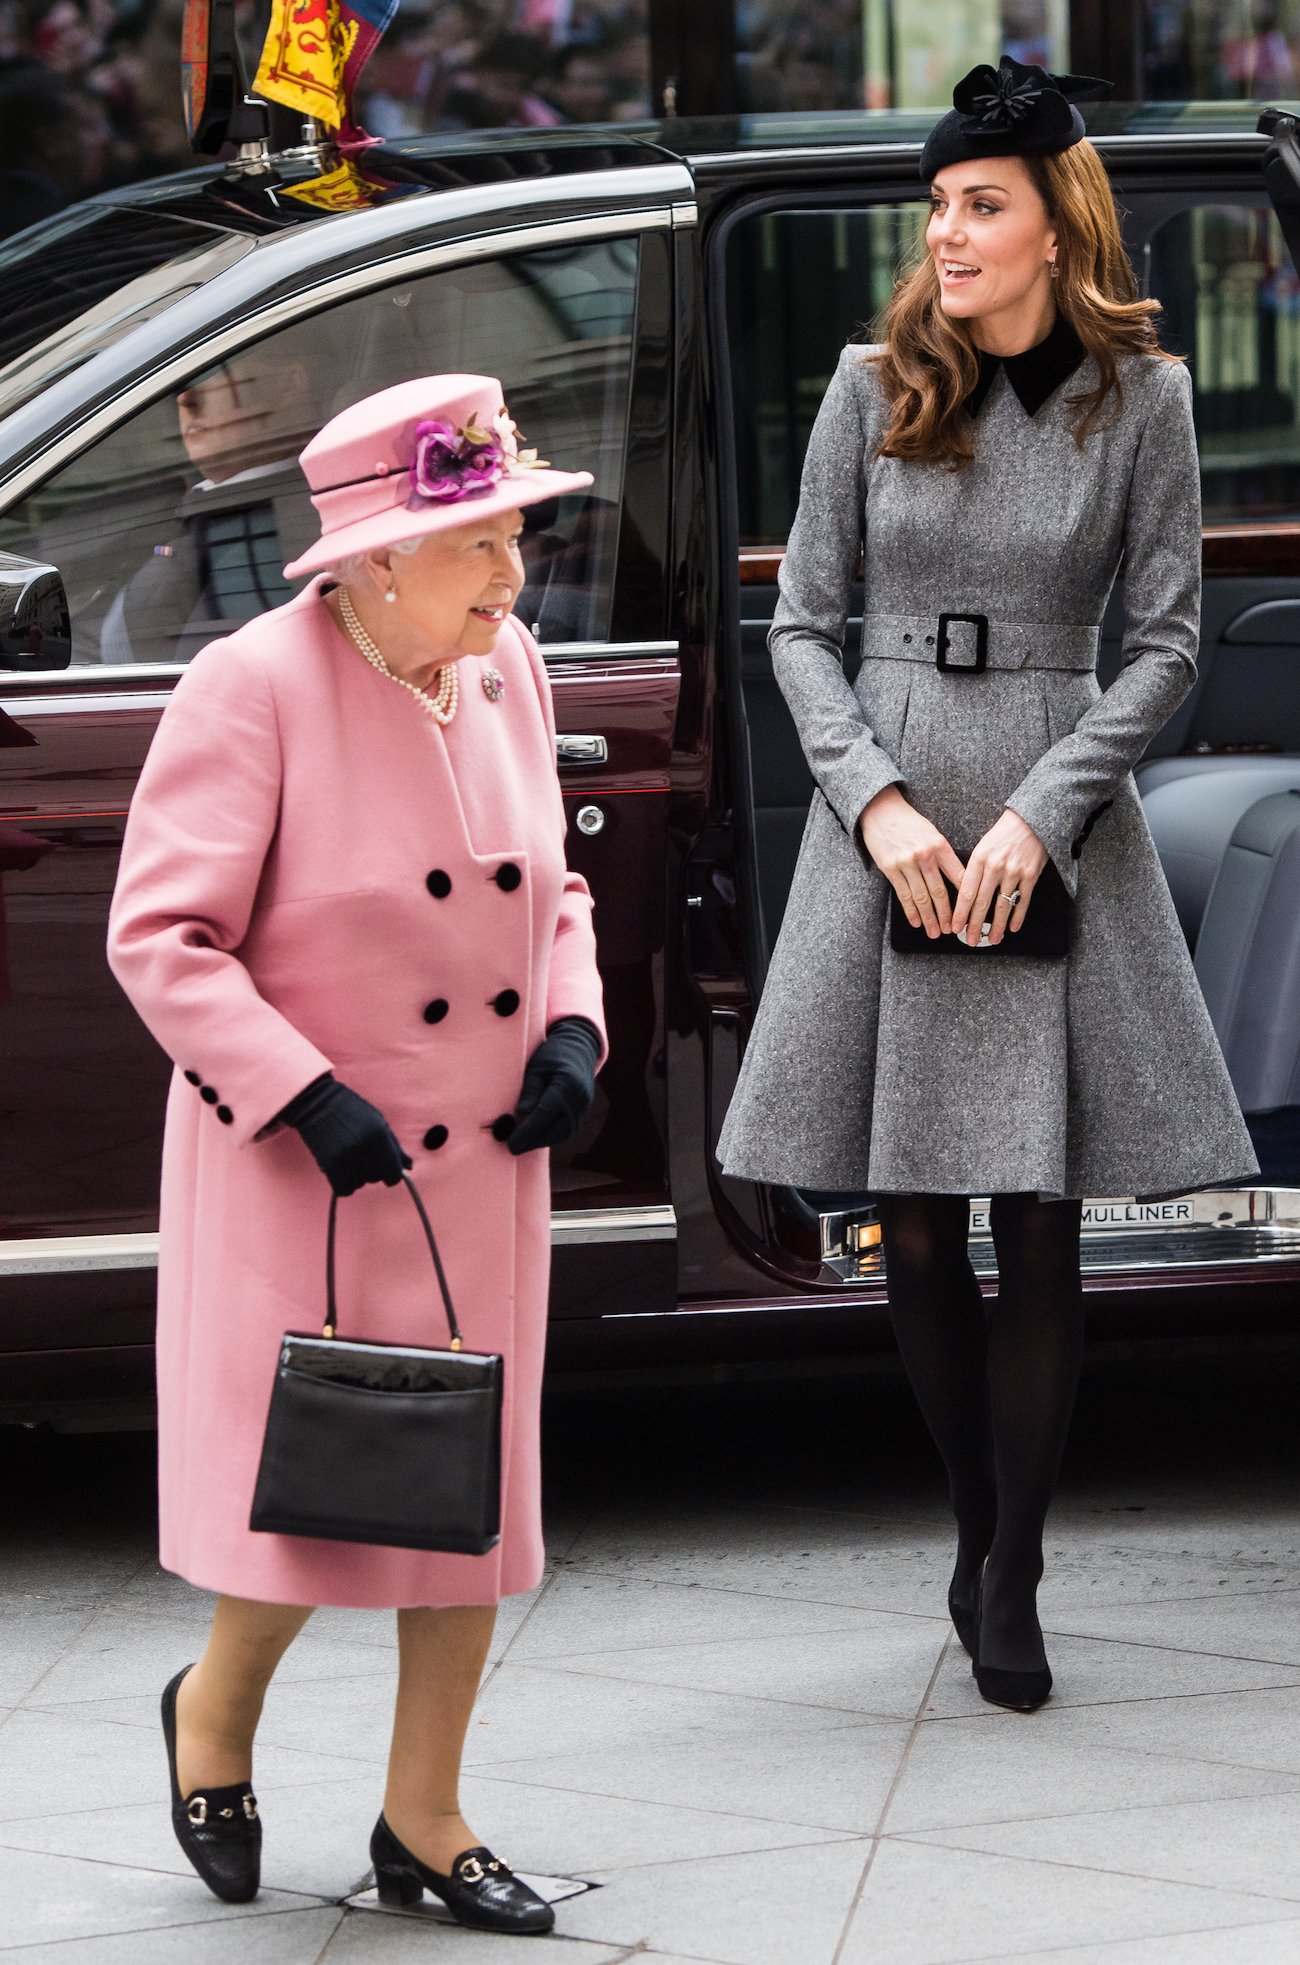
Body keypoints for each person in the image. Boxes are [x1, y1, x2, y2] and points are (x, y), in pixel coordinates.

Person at [718, 56, 1258, 1713]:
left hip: (1050, 803)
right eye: (940, 205)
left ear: (1053, 223)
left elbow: (1164, 646)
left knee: (1038, 1223)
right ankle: (969, 1523)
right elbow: (801, 626)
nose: (946, 232)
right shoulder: (869, 384)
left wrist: (1041, 811)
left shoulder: (1141, 399)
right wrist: (878, 806)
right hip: (885, 808)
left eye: (979, 204)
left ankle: (1014, 1565)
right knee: (919, 1231)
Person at [106, 374, 606, 1926]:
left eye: (517, 539)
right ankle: (213, 1712)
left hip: (475, 1175)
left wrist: (574, 1030)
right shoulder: (250, 685)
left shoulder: (503, 663)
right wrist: (302, 1090)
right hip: (311, 1170)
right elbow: (163, 939)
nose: (515, 579)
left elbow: (558, 896)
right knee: (309, 1501)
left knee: (468, 1505)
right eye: (484, 548)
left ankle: (426, 1817)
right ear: (379, 557)